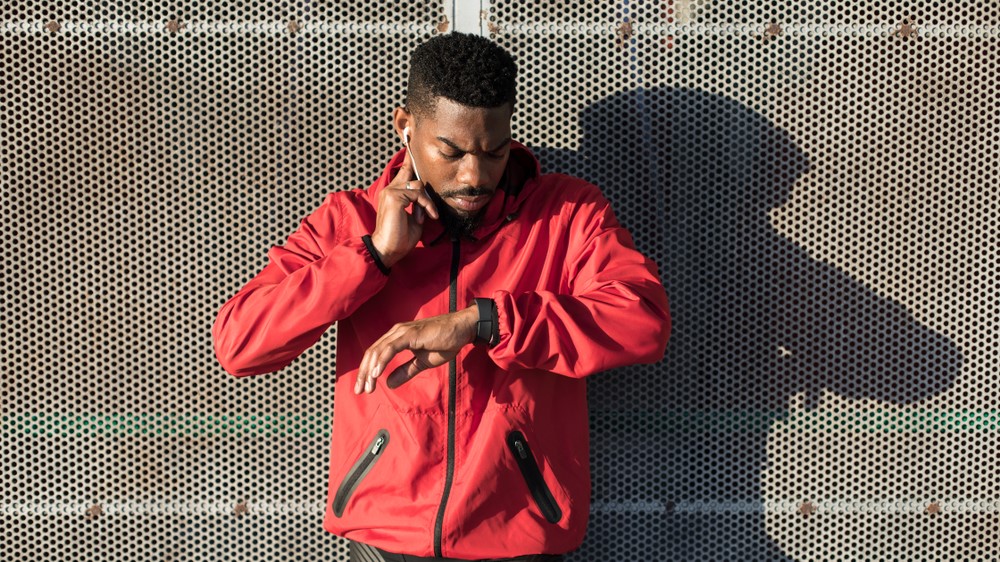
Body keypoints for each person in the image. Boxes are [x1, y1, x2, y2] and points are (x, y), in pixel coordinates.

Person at [212, 32, 670, 562]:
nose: (474, 176)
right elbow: (240, 344)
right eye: (450, 152)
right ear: (405, 127)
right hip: (384, 539)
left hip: (519, 537)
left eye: (494, 152)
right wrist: (374, 255)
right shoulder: (350, 221)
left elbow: (643, 320)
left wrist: (485, 321)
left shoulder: (567, 215)